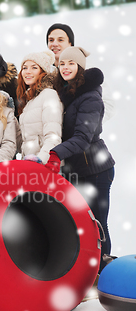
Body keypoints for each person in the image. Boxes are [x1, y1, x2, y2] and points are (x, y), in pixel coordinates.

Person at [46, 46, 115, 271]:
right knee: (81, 224)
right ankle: (87, 269)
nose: (65, 68)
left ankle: (103, 273)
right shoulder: (69, 93)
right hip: (79, 169)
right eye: (62, 64)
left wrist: (56, 153)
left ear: (80, 68)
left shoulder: (90, 98)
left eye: (71, 64)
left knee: (97, 223)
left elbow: (83, 138)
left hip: (96, 169)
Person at [16, 51, 63, 164]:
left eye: (34, 67)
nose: (28, 72)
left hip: (44, 165)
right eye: (25, 68)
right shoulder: (29, 100)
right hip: (29, 165)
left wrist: (41, 160)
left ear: (43, 71)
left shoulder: (49, 95)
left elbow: (53, 136)